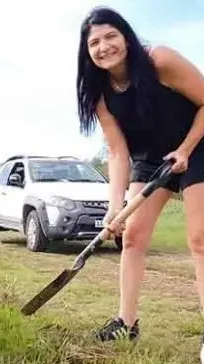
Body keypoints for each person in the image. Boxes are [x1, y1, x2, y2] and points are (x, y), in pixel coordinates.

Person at [76, 5, 204, 355]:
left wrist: (185, 149)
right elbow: (118, 153)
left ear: (126, 38)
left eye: (110, 36)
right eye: (94, 43)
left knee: (199, 240)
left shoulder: (160, 60)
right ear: (86, 52)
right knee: (131, 236)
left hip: (198, 143)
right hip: (150, 158)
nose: (104, 47)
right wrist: (114, 208)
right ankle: (126, 324)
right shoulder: (101, 94)